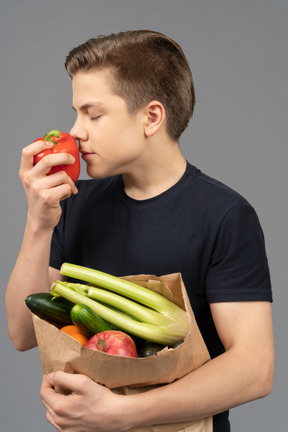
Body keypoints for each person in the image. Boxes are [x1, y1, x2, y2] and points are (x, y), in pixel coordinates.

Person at [6, 30, 274, 432]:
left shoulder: (225, 215)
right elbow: (24, 332)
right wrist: (38, 223)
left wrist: (118, 415)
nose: (77, 131)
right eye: (76, 113)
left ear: (151, 117)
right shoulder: (75, 204)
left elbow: (255, 368)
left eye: (93, 114)